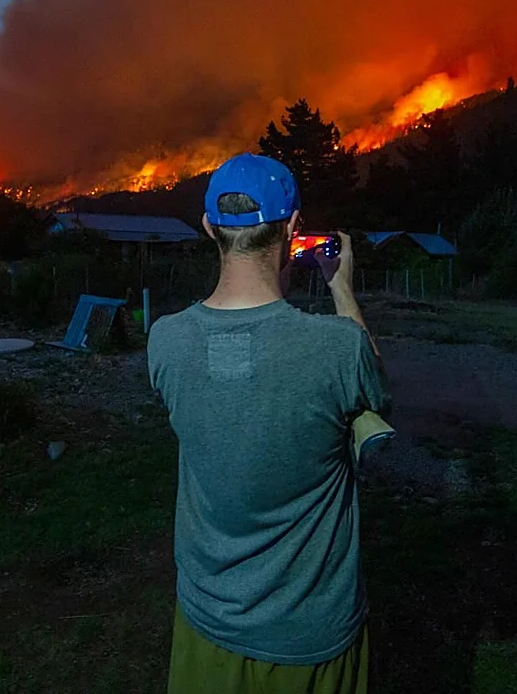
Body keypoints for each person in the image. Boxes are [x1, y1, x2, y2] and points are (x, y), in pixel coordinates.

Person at [147, 153, 388, 694]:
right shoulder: (337, 348)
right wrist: (341, 287)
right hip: (308, 636)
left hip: (206, 621)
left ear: (210, 227)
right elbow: (376, 389)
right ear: (294, 227)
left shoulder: (164, 340)